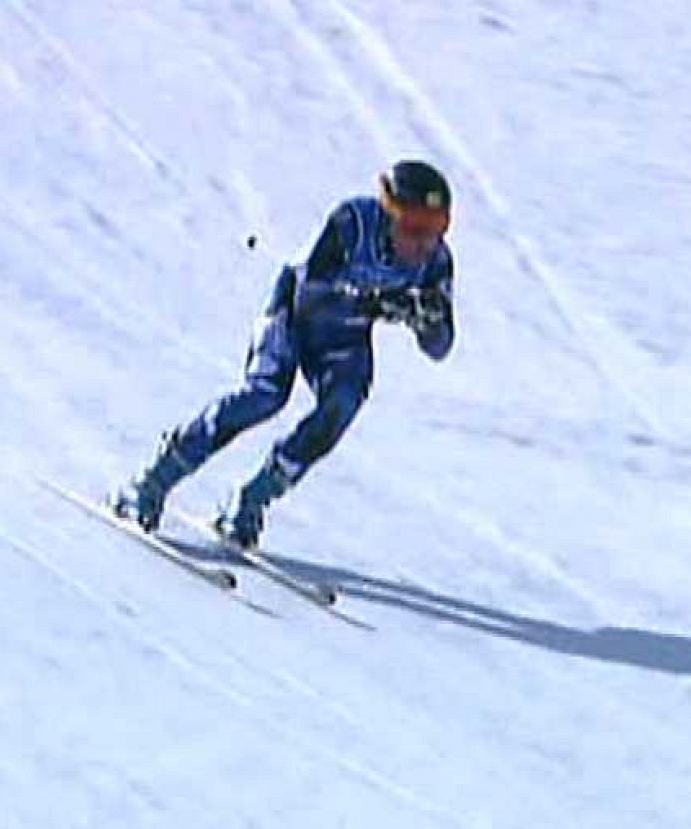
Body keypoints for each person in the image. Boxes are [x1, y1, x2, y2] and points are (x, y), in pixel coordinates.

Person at [111, 159, 456, 548]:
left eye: (437, 229)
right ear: (388, 212)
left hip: (344, 338)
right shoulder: (353, 221)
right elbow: (312, 284)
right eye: (413, 228)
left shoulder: (436, 263)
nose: (424, 244)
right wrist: (378, 299)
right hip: (293, 316)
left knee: (341, 405)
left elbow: (440, 348)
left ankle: (252, 500)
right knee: (265, 395)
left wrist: (426, 319)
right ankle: (153, 480)